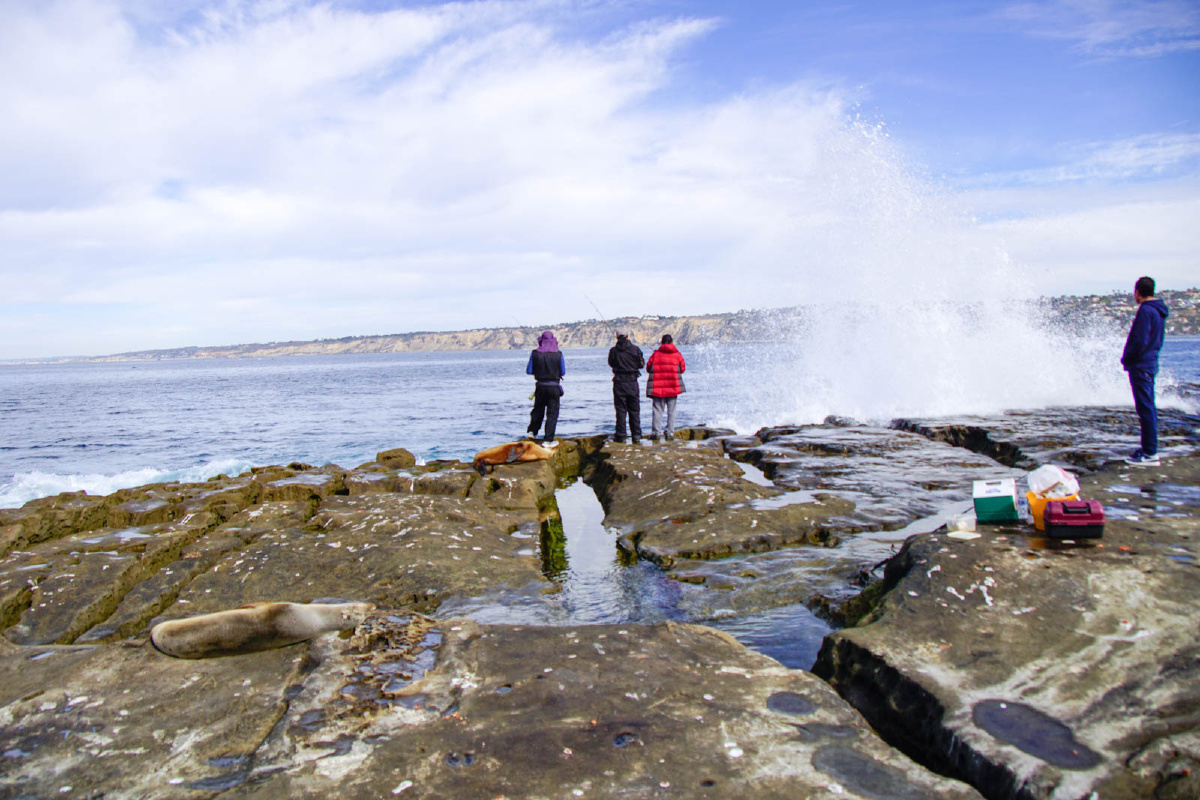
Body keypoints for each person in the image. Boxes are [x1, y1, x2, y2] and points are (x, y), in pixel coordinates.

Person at [1121, 276, 1169, 465]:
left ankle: (1150, 453)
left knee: (1145, 408)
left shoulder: (1146, 311)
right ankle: (1148, 449)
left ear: (1137, 292)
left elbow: (1139, 340)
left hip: (1141, 365)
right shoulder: (1159, 311)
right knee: (1147, 407)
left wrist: (1127, 358)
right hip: (1150, 362)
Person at [526, 330, 565, 445]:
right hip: (554, 387)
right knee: (552, 413)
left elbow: (529, 370)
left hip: (540, 386)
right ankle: (548, 439)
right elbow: (563, 372)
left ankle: (532, 432)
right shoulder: (558, 354)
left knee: (538, 410)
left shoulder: (535, 353)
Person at [645, 334, 685, 441]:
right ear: (672, 342)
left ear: (662, 342)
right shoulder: (677, 355)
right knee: (671, 411)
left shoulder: (655, 354)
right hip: (672, 387)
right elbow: (682, 369)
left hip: (658, 388)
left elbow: (648, 368)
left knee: (657, 410)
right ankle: (670, 433)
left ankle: (656, 433)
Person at [607, 331, 645, 443]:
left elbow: (611, 363)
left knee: (620, 410)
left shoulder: (613, 351)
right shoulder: (635, 349)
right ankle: (636, 435)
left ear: (617, 337)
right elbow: (641, 365)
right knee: (634, 410)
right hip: (632, 382)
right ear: (627, 336)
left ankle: (621, 435)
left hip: (619, 382)